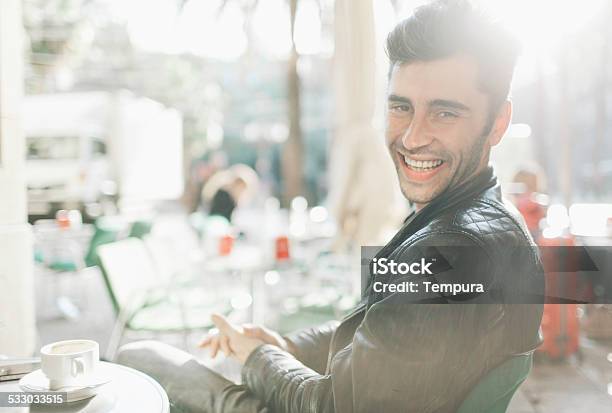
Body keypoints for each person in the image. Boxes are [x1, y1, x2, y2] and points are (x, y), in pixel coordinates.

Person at [116, 1, 544, 411]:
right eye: (400, 107)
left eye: (445, 114)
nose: (413, 138)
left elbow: (331, 405)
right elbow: (379, 333)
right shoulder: (476, 218)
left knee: (140, 359)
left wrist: (258, 356)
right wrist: (288, 347)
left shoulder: (450, 251)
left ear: (498, 123)